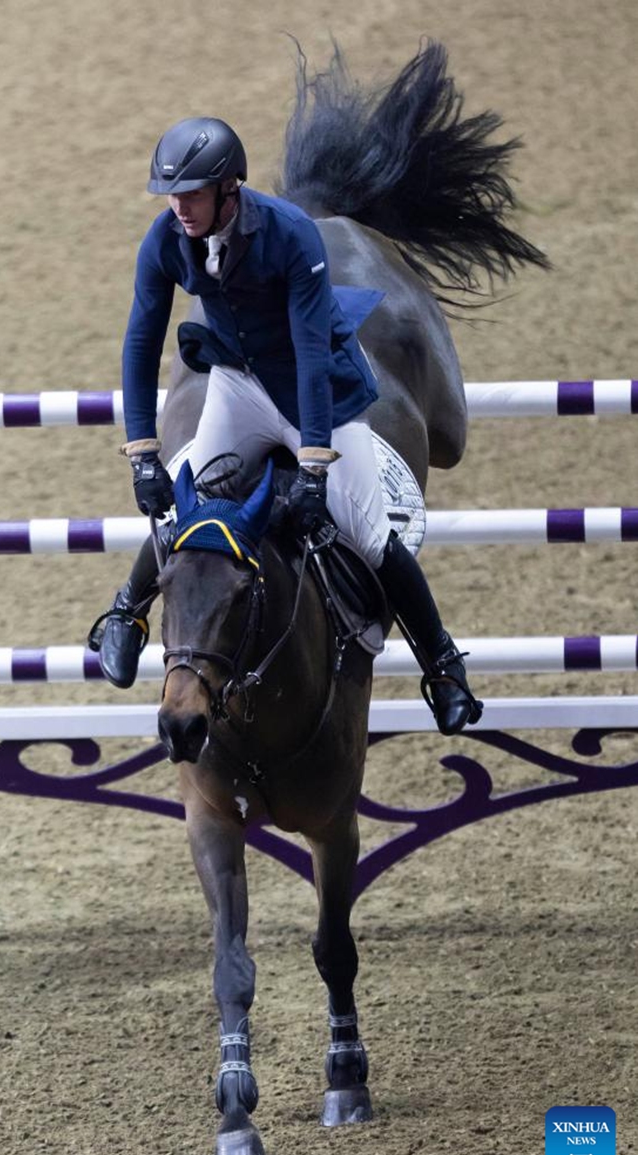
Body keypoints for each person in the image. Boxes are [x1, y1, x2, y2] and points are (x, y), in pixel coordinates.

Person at [89, 116, 482, 736]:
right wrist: (142, 454)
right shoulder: (166, 238)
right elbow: (141, 340)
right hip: (238, 383)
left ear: (230, 189)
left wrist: (316, 467)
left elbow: (310, 352)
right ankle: (126, 614)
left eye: (191, 194)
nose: (179, 208)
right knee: (180, 503)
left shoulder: (287, 233)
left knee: (371, 535)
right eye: (172, 195)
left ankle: (443, 664)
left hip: (313, 388)